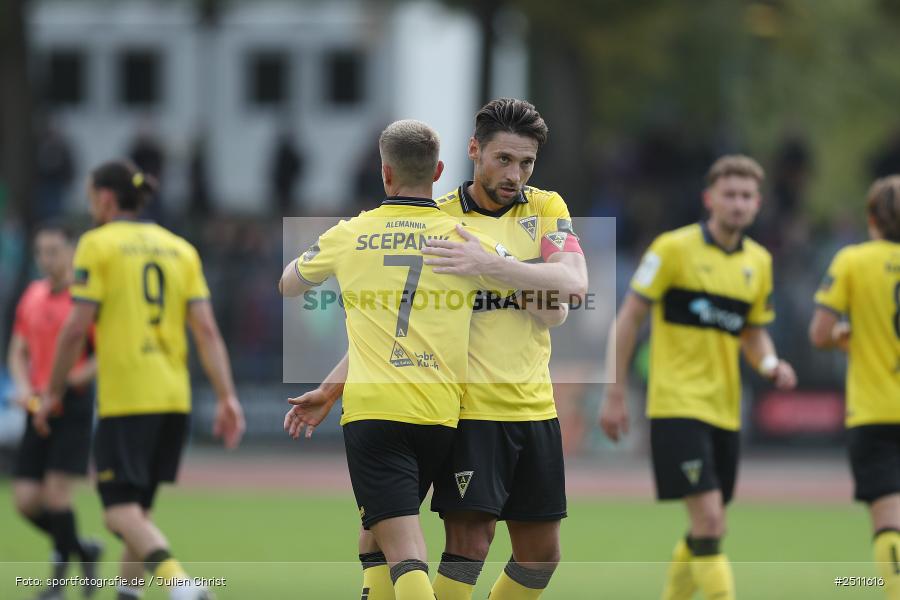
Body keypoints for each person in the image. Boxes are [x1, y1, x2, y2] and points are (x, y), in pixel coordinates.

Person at [286, 99, 588, 600]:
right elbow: (398, 322)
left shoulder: (546, 207)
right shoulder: (439, 221)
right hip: (469, 406)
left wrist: (490, 262)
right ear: (474, 151)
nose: (516, 174)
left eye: (527, 163)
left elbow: (571, 290)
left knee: (542, 555)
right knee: (469, 541)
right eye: (504, 160)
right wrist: (334, 385)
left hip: (535, 404)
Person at [34, 160, 245, 600]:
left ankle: (179, 583)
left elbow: (76, 328)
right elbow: (206, 330)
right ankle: (129, 595)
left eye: (91, 198)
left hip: (128, 397)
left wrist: (52, 390)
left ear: (106, 199)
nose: (91, 207)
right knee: (138, 512)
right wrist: (227, 397)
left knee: (117, 513)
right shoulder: (180, 248)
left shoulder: (98, 244)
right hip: (173, 397)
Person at [599, 155, 797, 600]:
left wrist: (770, 364)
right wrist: (614, 393)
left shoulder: (759, 262)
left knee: (709, 526)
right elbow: (628, 319)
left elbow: (754, 331)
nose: (738, 204)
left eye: (747, 196)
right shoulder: (672, 249)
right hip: (676, 404)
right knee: (710, 521)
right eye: (729, 195)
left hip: (725, 409)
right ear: (710, 199)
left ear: (758, 203)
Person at [810, 176, 900, 599]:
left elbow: (819, 333)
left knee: (889, 522)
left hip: (875, 410)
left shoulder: (853, 261)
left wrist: (848, 333)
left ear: (871, 219)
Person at [8, 221, 102, 600]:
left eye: (53, 251)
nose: (46, 260)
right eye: (40, 252)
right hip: (38, 405)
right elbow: (18, 349)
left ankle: (59, 582)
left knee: (58, 496)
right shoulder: (31, 294)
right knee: (26, 500)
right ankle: (84, 548)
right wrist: (23, 387)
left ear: (70, 253)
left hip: (73, 404)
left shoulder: (84, 299)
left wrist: (65, 382)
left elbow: (102, 354)